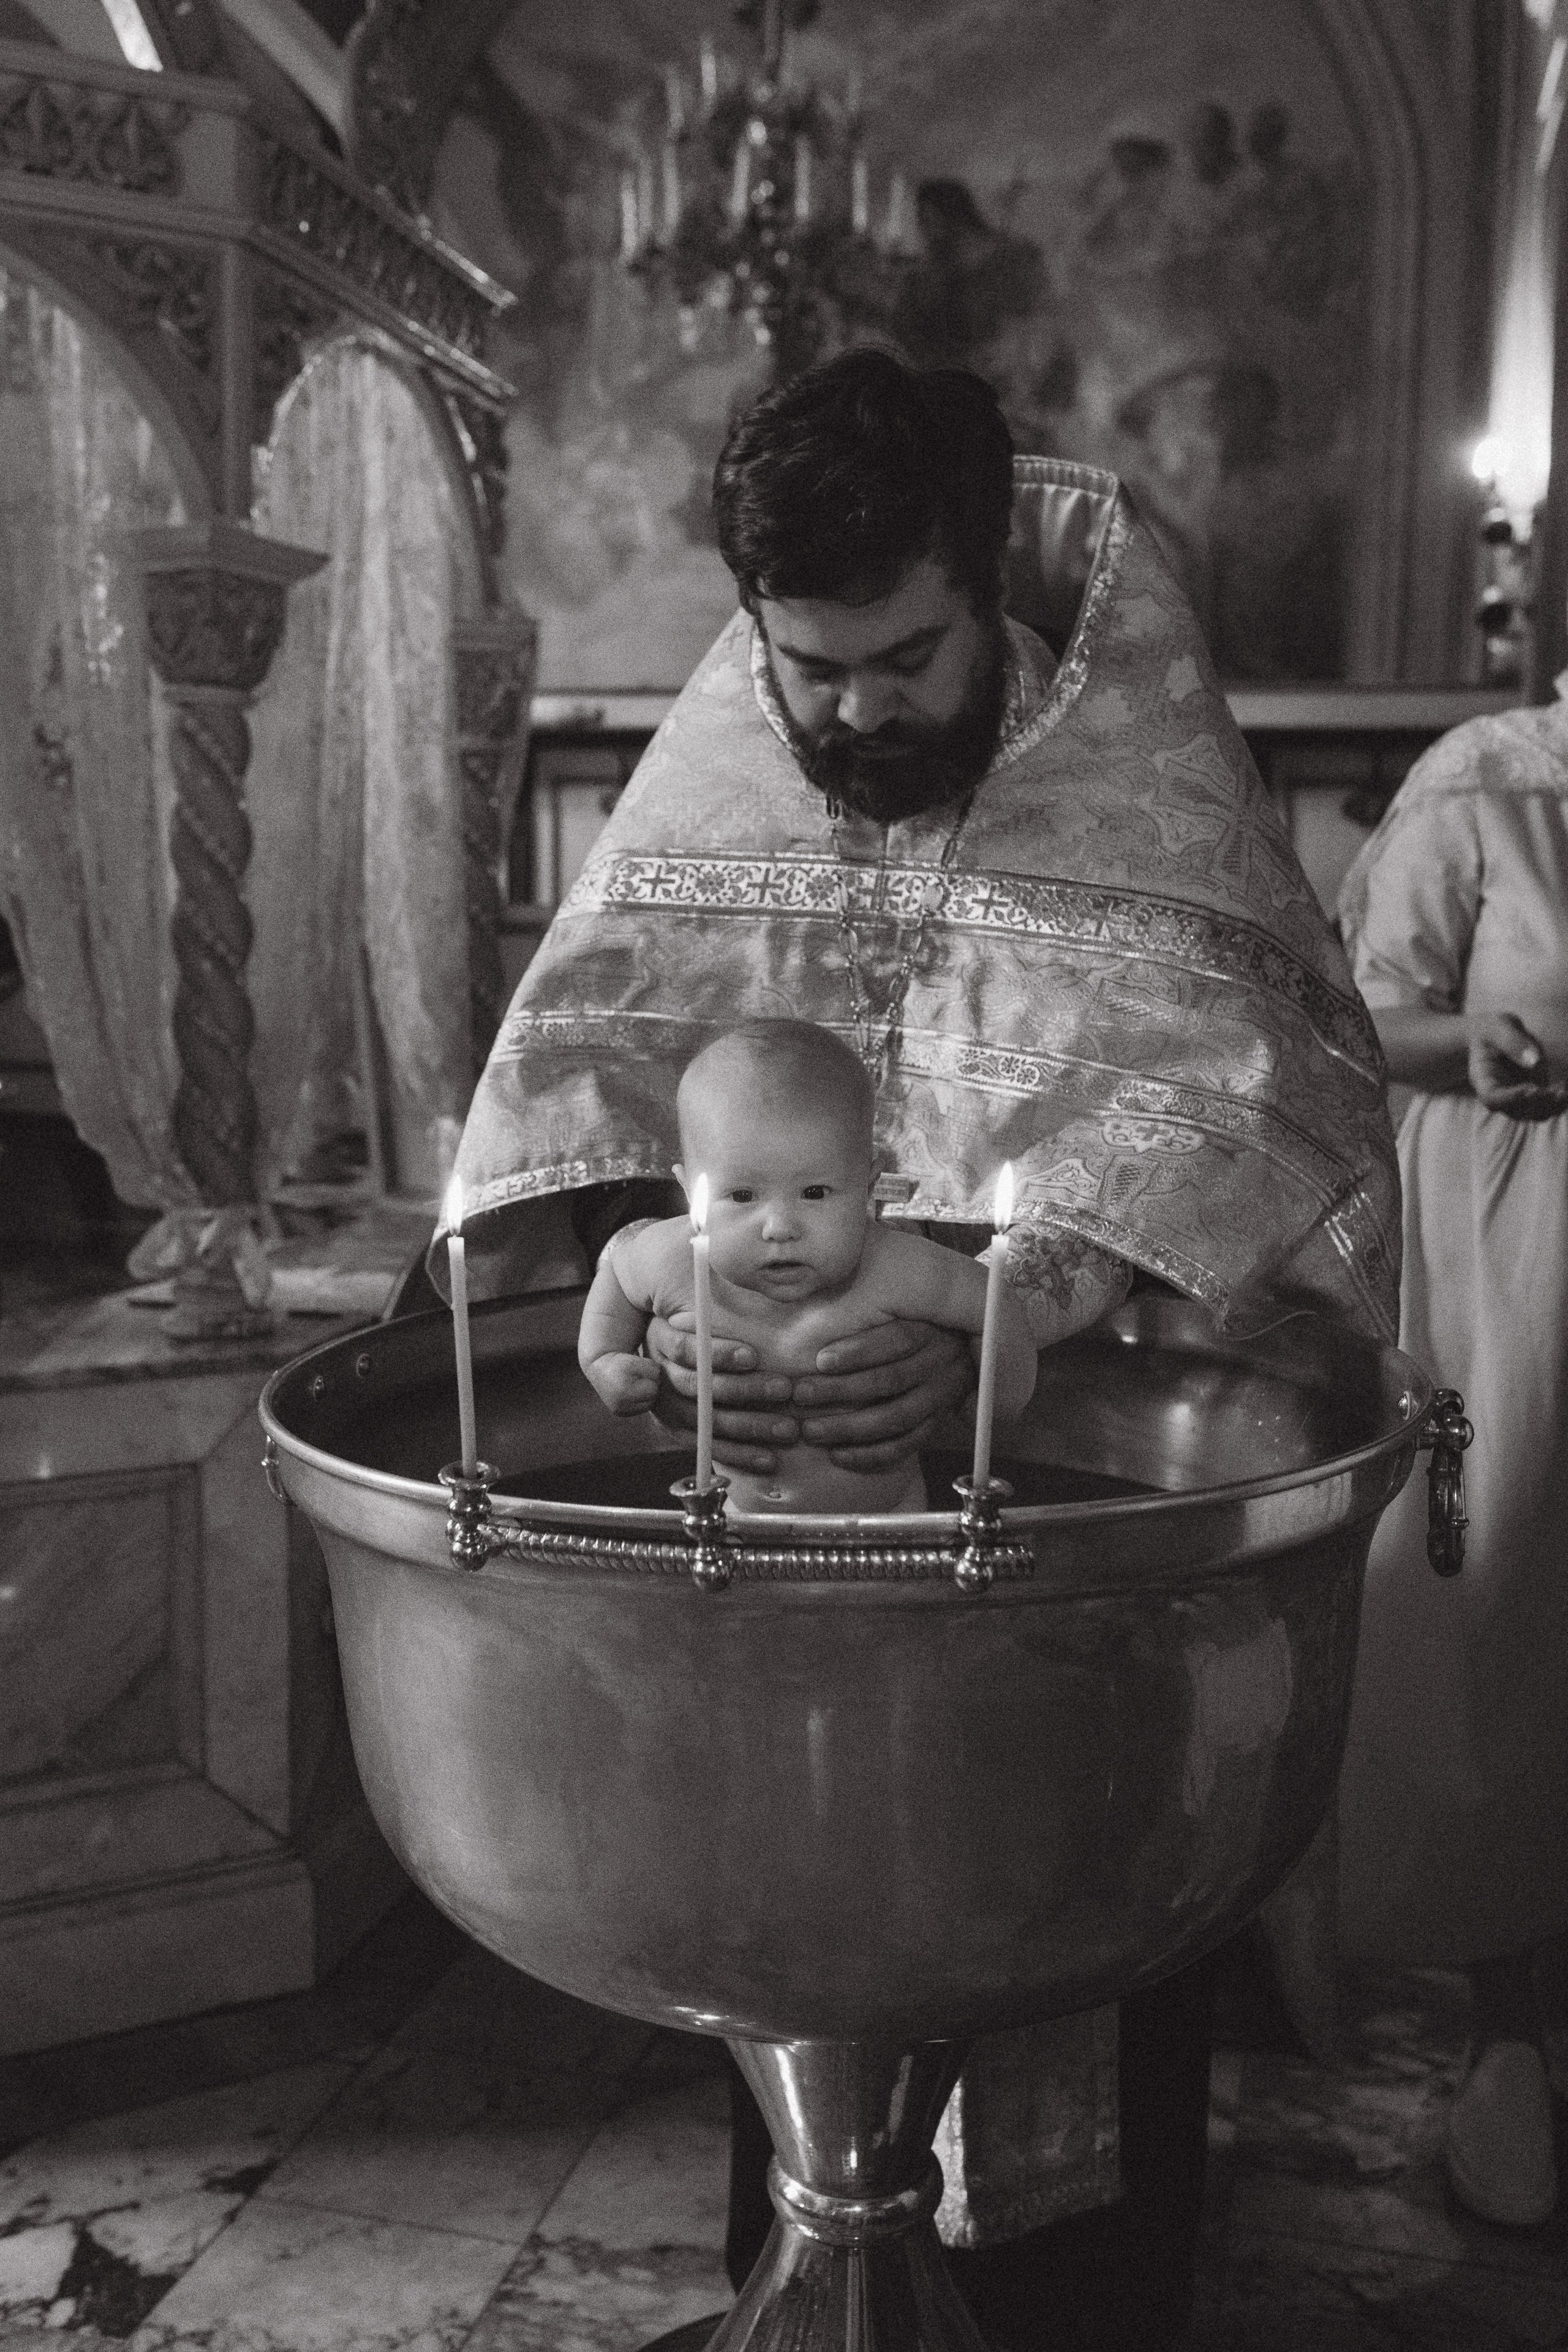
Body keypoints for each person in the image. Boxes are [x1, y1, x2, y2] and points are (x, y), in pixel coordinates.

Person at [442, 349, 1398, 2348]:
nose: (857, 710)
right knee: (787, 1941)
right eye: (813, 667)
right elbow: (588, 1100)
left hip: (1067, 1527)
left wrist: (1026, 1296)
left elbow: (1259, 1102)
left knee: (1074, 2001)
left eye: (907, 654)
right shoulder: (734, 771)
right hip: (782, 1558)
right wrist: (655, 1327)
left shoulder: (1138, 767)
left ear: (990, 587)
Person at [1336, 695, 1568, 2231]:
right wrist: (1472, 1042)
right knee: (1511, 1630)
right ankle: (1511, 2029)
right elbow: (1345, 1015)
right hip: (1518, 1271)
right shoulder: (1488, 784)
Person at [578, 1019, 1037, 1514]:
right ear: (691, 1192)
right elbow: (618, 1279)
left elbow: (994, 1305)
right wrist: (604, 1360)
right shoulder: (671, 1259)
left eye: (814, 1193)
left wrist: (998, 1401)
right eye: (742, 1195)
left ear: (867, 1184)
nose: (779, 1226)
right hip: (730, 1519)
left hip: (885, 1525)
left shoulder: (896, 1268)